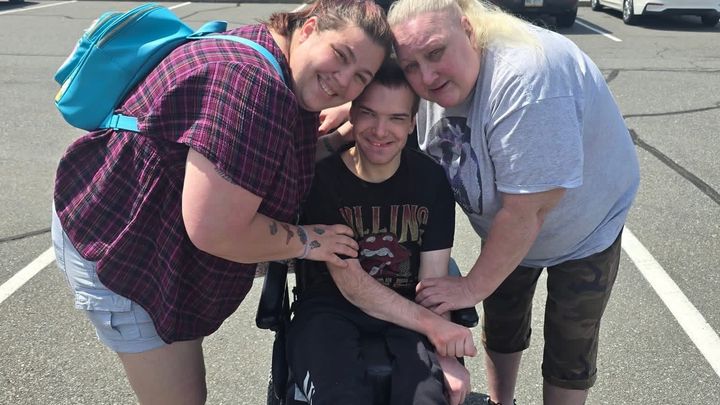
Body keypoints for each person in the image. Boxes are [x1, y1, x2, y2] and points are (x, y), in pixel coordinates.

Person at [50, 1, 393, 404]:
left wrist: (342, 138)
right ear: (308, 28)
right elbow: (216, 231)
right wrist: (310, 241)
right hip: (122, 246)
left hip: (142, 226)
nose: (343, 81)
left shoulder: (265, 51)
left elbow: (257, 160)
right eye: (340, 55)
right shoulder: (251, 84)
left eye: (361, 77)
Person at [383, 1, 641, 404]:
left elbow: (527, 212)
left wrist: (470, 286)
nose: (426, 76)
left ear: (468, 29)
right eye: (410, 66)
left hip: (584, 225)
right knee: (503, 318)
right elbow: (391, 104)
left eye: (435, 52)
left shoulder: (527, 81)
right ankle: (502, 401)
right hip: (505, 221)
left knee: (570, 340)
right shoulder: (432, 78)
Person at [288, 61, 477, 405]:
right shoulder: (324, 179)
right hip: (330, 309)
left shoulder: (431, 180)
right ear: (352, 115)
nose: (380, 130)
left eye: (396, 118)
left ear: (412, 123)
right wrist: (436, 328)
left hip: (408, 312)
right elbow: (353, 286)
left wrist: (447, 356)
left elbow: (433, 280)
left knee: (427, 398)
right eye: (368, 114)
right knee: (340, 396)